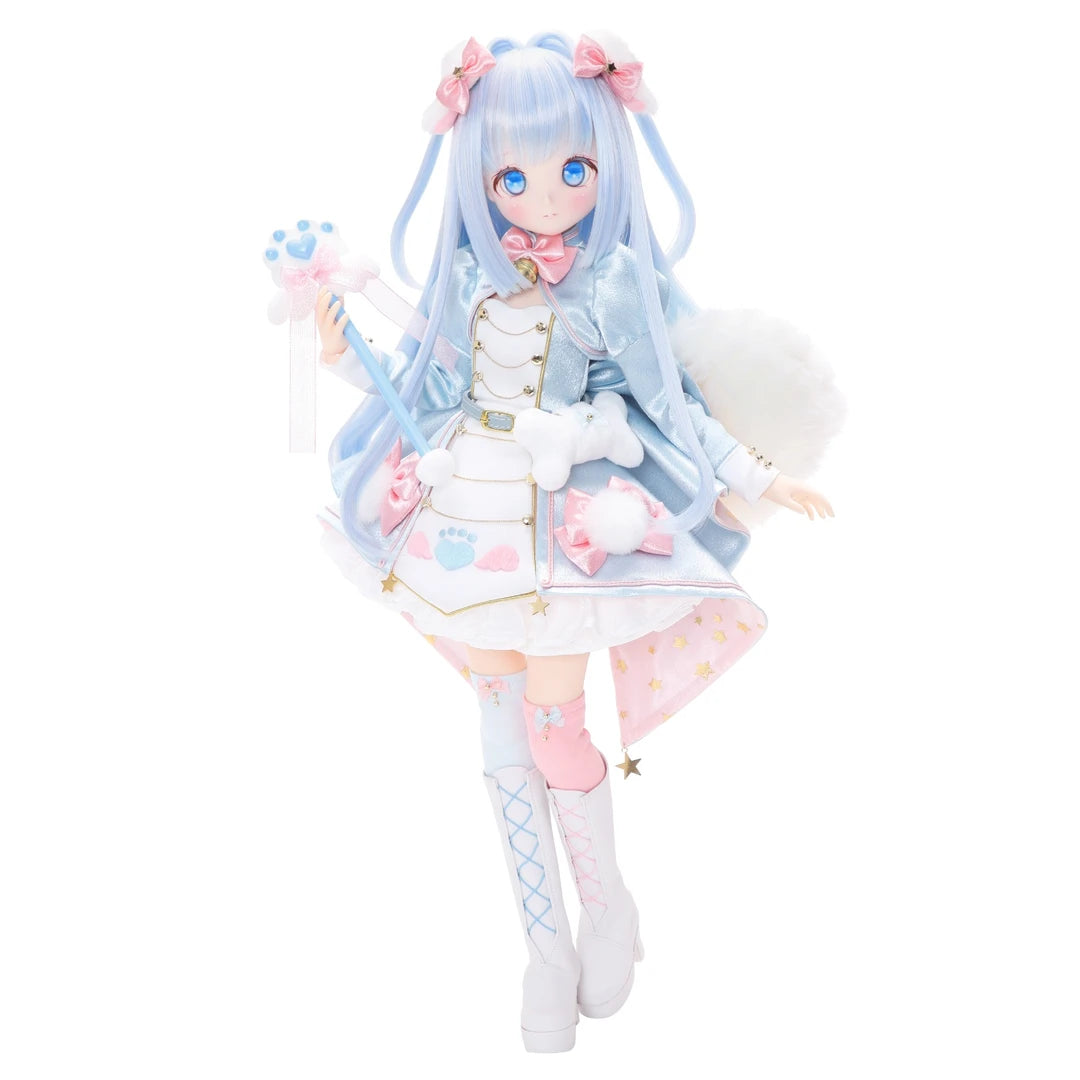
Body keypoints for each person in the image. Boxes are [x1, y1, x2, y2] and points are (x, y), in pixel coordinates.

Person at [312, 31, 833, 1053]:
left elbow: (673, 403)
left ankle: (607, 907)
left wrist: (757, 474)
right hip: (465, 520)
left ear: (607, 163)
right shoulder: (467, 277)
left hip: (559, 526)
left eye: (572, 170)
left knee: (555, 732)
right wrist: (341, 350)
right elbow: (422, 382)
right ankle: (542, 951)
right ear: (477, 175)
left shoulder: (612, 284)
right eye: (513, 176)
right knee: (498, 733)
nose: (545, 198)